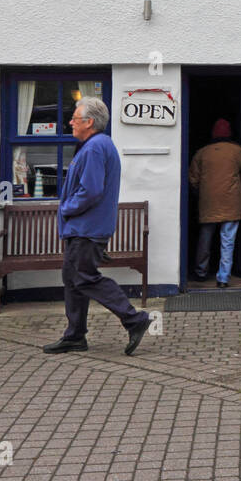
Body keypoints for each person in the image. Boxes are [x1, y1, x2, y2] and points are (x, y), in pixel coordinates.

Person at [43, 97, 151, 355]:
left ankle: (134, 319)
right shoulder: (97, 145)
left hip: (86, 228)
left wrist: (66, 208)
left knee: (83, 277)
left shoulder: (94, 148)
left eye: (75, 118)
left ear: (89, 122)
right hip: (85, 228)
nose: (70, 122)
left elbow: (90, 191)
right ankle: (75, 335)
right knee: (73, 279)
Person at [188, 118, 241, 288]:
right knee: (228, 240)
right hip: (231, 202)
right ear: (229, 133)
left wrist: (200, 193)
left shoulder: (202, 153)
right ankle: (223, 278)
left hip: (208, 201)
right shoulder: (238, 151)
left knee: (205, 238)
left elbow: (193, 178)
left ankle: (200, 272)